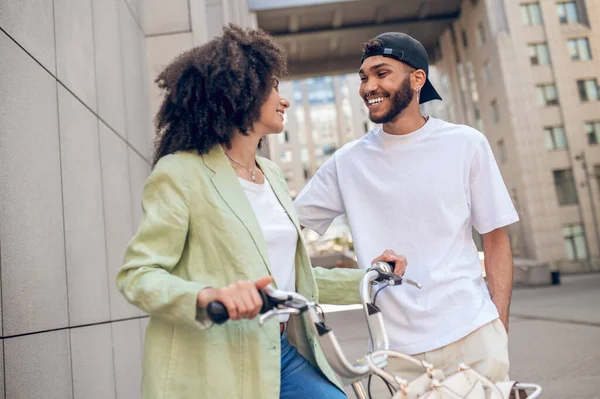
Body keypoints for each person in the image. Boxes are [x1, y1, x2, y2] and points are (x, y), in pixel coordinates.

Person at [116, 25, 406, 399]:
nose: (282, 100)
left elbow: (294, 280)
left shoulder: (270, 174)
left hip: (278, 352)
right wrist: (208, 296)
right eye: (273, 87)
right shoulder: (181, 173)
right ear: (239, 93)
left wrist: (370, 277)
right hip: (215, 364)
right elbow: (137, 275)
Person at [294, 32, 519, 383]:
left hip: (472, 331)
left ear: (417, 80)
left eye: (382, 74)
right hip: (397, 350)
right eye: (364, 77)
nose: (369, 86)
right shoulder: (347, 162)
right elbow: (286, 226)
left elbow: (495, 237)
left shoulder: (465, 144)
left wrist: (498, 326)